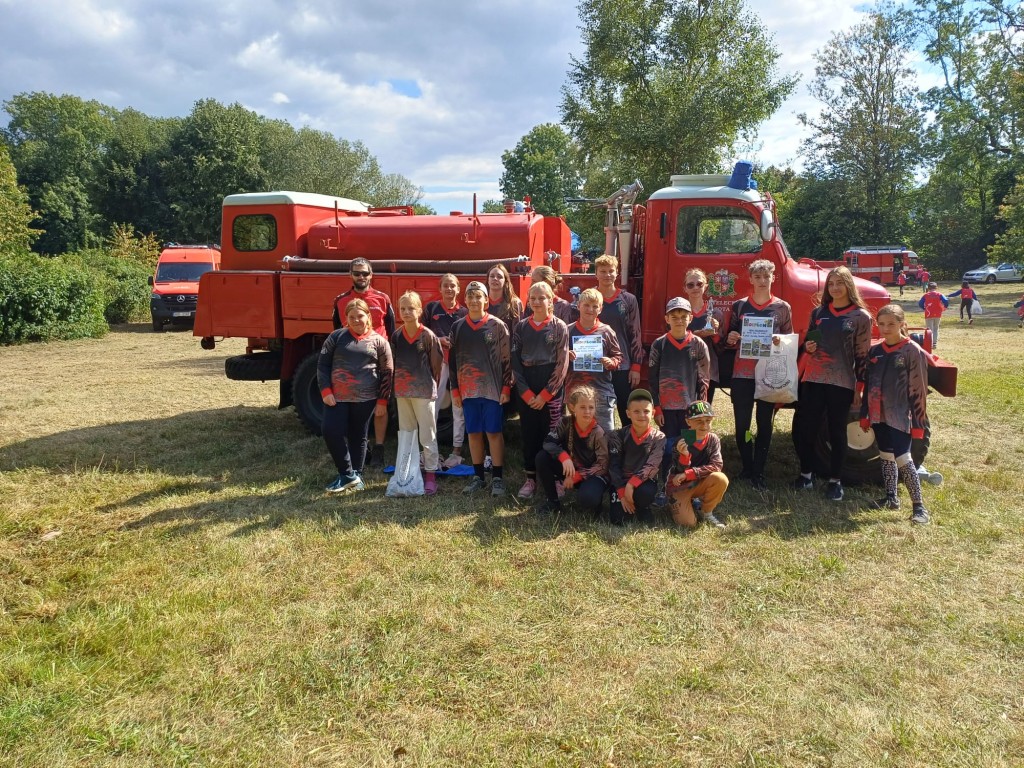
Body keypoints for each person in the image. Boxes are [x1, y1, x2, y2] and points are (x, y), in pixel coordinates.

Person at [792, 266, 872, 501]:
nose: (835, 288)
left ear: (849, 285)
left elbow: (862, 356)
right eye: (831, 284)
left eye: (840, 283)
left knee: (837, 432)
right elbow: (811, 340)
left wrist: (859, 388)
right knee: (808, 428)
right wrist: (808, 346)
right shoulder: (819, 313)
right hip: (813, 379)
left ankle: (835, 482)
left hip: (841, 382)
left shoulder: (860, 317)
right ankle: (806, 475)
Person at [724, 259, 794, 490]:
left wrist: (780, 341)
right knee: (743, 426)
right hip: (743, 374)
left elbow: (789, 340)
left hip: (769, 374)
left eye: (766, 276)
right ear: (751, 279)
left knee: (764, 425)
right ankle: (747, 466)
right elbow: (729, 336)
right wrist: (731, 338)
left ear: (773, 277)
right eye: (758, 277)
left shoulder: (782, 308)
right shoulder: (740, 306)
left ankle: (759, 472)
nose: (762, 281)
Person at [860, 303, 931, 524]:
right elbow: (868, 384)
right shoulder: (875, 351)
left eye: (891, 324)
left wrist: (918, 424)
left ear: (902, 324)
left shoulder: (912, 351)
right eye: (881, 324)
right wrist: (865, 413)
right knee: (886, 454)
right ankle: (891, 498)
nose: (885, 328)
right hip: (878, 414)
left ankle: (919, 507)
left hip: (901, 415)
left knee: (903, 458)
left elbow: (919, 390)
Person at [318, 299, 393, 494]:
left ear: (368, 316)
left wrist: (382, 401)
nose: (357, 320)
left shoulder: (379, 341)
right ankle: (347, 474)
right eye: (352, 317)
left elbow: (387, 373)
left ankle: (356, 476)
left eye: (360, 316)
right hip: (337, 397)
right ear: (346, 319)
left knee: (358, 435)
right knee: (330, 431)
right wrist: (326, 391)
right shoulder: (336, 337)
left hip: (366, 399)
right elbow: (323, 365)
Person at [450, 281, 513, 496]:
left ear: (486, 300)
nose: (475, 300)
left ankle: (497, 477)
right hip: (468, 391)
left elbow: (507, 360)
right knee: (474, 432)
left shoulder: (497, 325)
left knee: (494, 432)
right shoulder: (457, 327)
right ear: (465, 300)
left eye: (479, 296)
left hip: (492, 390)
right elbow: (452, 361)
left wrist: (506, 388)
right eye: (471, 296)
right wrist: (455, 390)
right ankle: (478, 476)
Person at [332, 258, 396, 467]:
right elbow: (337, 333)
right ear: (350, 275)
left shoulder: (383, 299)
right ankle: (363, 445)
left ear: (371, 275)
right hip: (351, 361)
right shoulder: (341, 300)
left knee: (381, 405)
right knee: (356, 406)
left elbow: (391, 329)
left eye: (365, 273)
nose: (361, 277)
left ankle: (379, 449)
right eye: (357, 273)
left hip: (379, 360)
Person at [511, 282, 570, 499]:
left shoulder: (559, 327)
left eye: (541, 298)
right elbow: (515, 363)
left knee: (553, 435)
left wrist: (546, 395)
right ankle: (531, 478)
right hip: (527, 388)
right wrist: (526, 394)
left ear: (550, 300)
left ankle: (556, 479)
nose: (536, 302)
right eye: (533, 298)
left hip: (551, 391)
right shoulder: (521, 327)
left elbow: (562, 364)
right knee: (529, 434)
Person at [648, 297, 710, 483]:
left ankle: (686, 482)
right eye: (674, 316)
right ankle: (666, 483)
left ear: (690, 318)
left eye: (683, 316)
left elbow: (703, 379)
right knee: (668, 447)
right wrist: (657, 407)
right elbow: (652, 379)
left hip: (688, 410)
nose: (679, 320)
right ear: (667, 319)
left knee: (688, 446)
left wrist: (699, 410)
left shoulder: (698, 344)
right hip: (666, 409)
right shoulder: (659, 344)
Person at [390, 291, 444, 496]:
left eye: (411, 308)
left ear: (419, 310)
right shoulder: (396, 336)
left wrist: (429, 385)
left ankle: (430, 474)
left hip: (423, 392)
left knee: (427, 435)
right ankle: (408, 473)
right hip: (403, 392)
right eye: (402, 309)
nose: (406, 312)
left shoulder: (427, 336)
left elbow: (436, 366)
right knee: (407, 433)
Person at [536, 385, 609, 517]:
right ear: (572, 407)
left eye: (591, 407)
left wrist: (577, 476)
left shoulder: (598, 432)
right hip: (570, 469)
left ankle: (596, 501)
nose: (587, 411)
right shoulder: (565, 422)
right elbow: (548, 442)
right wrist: (563, 456)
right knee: (542, 457)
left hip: (591, 475)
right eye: (582, 407)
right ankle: (552, 501)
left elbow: (603, 465)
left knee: (588, 499)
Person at [424, 274, 469, 468]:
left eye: (453, 286)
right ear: (440, 289)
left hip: (458, 365)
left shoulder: (464, 311)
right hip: (438, 364)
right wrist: (438, 340)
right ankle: (430, 448)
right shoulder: (432, 308)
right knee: (432, 405)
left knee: (458, 408)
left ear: (458, 289)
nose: (449, 289)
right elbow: (421, 332)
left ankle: (456, 450)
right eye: (446, 286)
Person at [594, 254, 644, 428]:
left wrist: (636, 366)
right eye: (603, 271)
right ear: (596, 273)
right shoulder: (589, 298)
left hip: (622, 365)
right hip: (595, 365)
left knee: (626, 411)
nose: (607, 275)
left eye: (611, 271)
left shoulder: (628, 299)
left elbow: (635, 333)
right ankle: (600, 443)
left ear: (617, 273)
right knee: (596, 412)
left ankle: (628, 441)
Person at [566, 287, 622, 435]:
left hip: (601, 392)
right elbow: (558, 359)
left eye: (595, 306)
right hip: (575, 392)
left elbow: (618, 357)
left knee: (606, 436)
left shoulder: (607, 331)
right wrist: (566, 356)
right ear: (578, 306)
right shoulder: (568, 331)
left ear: (600, 309)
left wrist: (611, 362)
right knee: (578, 436)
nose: (590, 309)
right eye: (586, 305)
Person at [607, 389, 666, 526]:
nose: (641, 415)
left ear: (653, 413)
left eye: (646, 411)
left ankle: (642, 507)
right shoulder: (617, 435)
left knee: (645, 494)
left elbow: (652, 465)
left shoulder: (659, 437)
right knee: (618, 520)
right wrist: (621, 491)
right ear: (628, 413)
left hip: (643, 482)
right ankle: (623, 502)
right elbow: (614, 466)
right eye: (636, 411)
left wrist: (632, 484)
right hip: (621, 482)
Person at [667, 400, 728, 529]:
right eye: (699, 421)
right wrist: (684, 456)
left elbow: (716, 465)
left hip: (699, 482)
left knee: (720, 478)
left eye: (708, 420)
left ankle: (706, 511)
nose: (704, 425)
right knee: (688, 523)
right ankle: (679, 503)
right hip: (680, 487)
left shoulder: (713, 439)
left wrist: (688, 473)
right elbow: (676, 472)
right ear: (688, 421)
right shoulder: (682, 441)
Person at [683, 268, 725, 403]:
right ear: (685, 288)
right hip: (683, 370)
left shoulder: (716, 314)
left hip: (707, 372)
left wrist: (714, 334)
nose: (695, 287)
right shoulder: (679, 313)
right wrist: (694, 335)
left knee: (702, 411)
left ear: (705, 286)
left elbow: (721, 348)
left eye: (699, 284)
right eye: (690, 285)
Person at [486, 263, 524, 331]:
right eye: (492, 276)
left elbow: (517, 332)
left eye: (499, 277)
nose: (495, 279)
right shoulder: (481, 302)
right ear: (488, 280)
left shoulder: (514, 304)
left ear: (505, 281)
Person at [918, 282, 949, 349]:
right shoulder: (939, 294)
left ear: (928, 288)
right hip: (938, 313)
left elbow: (920, 303)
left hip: (929, 313)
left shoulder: (926, 295)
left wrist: (924, 308)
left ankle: (930, 343)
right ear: (936, 287)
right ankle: (934, 343)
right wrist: (945, 307)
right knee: (936, 328)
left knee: (929, 329)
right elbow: (946, 301)